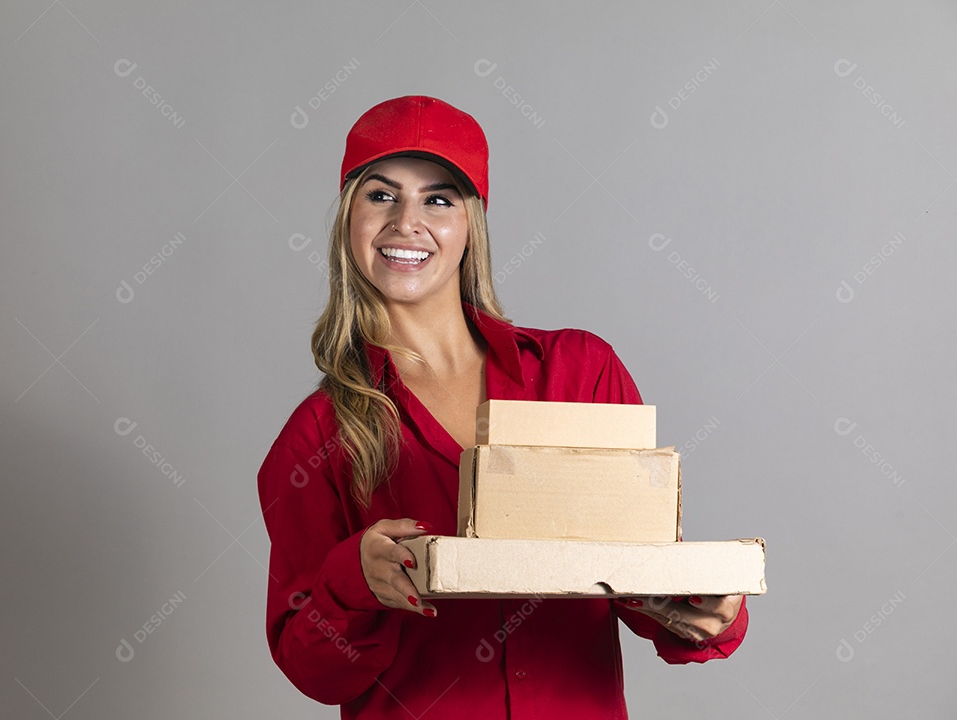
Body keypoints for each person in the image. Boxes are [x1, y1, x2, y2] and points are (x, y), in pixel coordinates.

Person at [257, 95, 748, 719]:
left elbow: (637, 573)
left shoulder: (579, 372)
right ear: (347, 216)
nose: (407, 222)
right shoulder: (317, 437)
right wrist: (353, 579)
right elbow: (310, 667)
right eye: (381, 195)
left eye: (439, 199)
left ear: (471, 224)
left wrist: (699, 608)